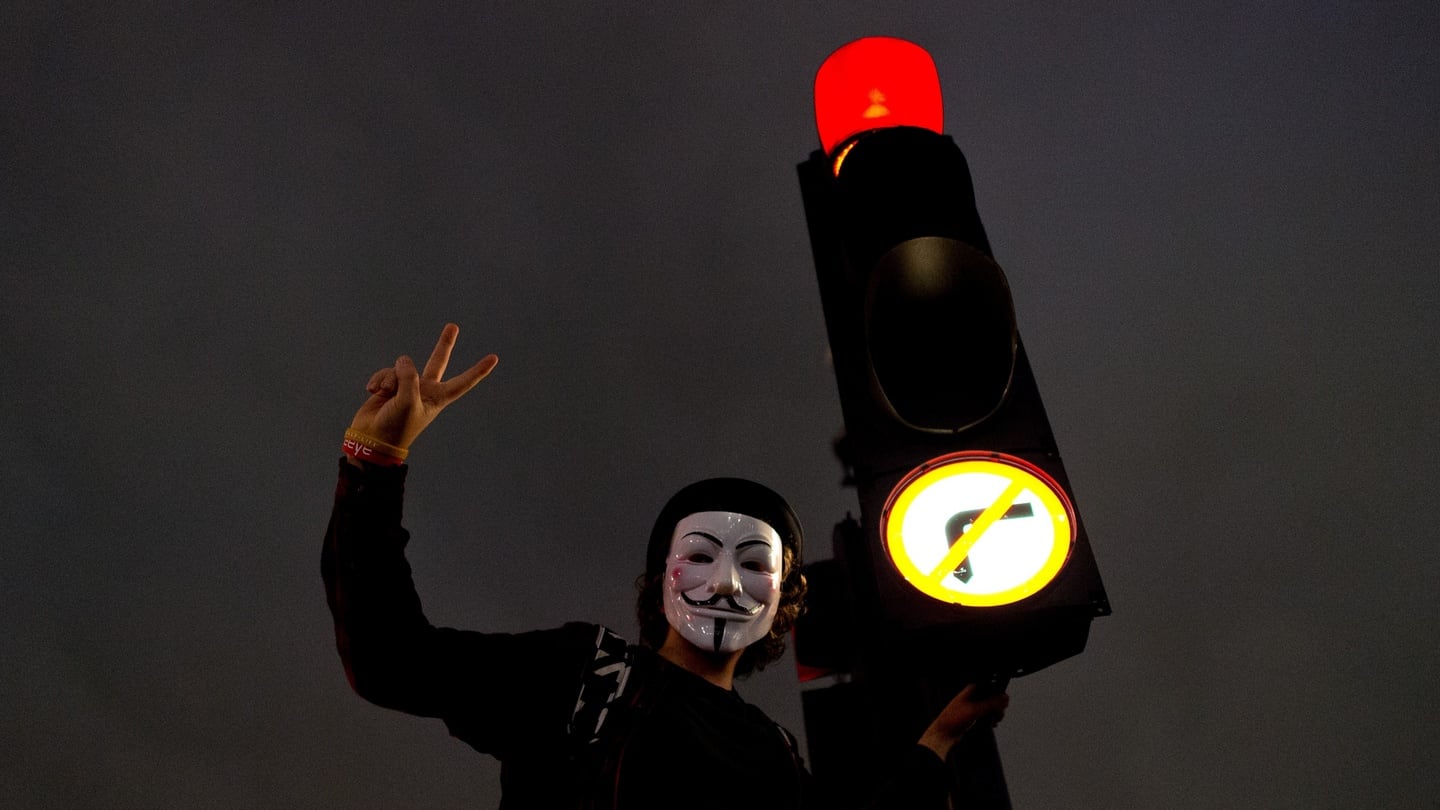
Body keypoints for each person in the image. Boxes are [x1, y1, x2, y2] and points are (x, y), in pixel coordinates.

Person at [322, 323, 1010, 809]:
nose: (724, 583)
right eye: (701, 555)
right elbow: (390, 659)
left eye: (752, 565)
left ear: (785, 599)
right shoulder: (588, 674)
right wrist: (374, 465)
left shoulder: (769, 754)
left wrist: (939, 739)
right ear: (662, 580)